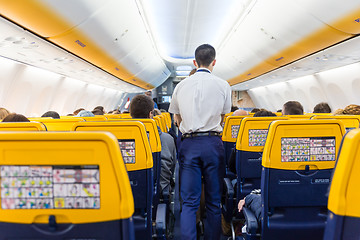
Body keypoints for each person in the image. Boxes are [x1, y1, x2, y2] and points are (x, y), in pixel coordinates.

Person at [169, 44, 232, 240]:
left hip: (189, 144)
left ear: (195, 62)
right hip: (213, 144)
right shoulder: (223, 85)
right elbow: (224, 116)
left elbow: (177, 119)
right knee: (213, 200)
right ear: (214, 62)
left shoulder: (180, 86)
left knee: (189, 202)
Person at [129, 94, 176, 195]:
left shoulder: (121, 140)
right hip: (158, 194)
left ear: (130, 114)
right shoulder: (167, 139)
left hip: (129, 192)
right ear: (151, 114)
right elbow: (172, 167)